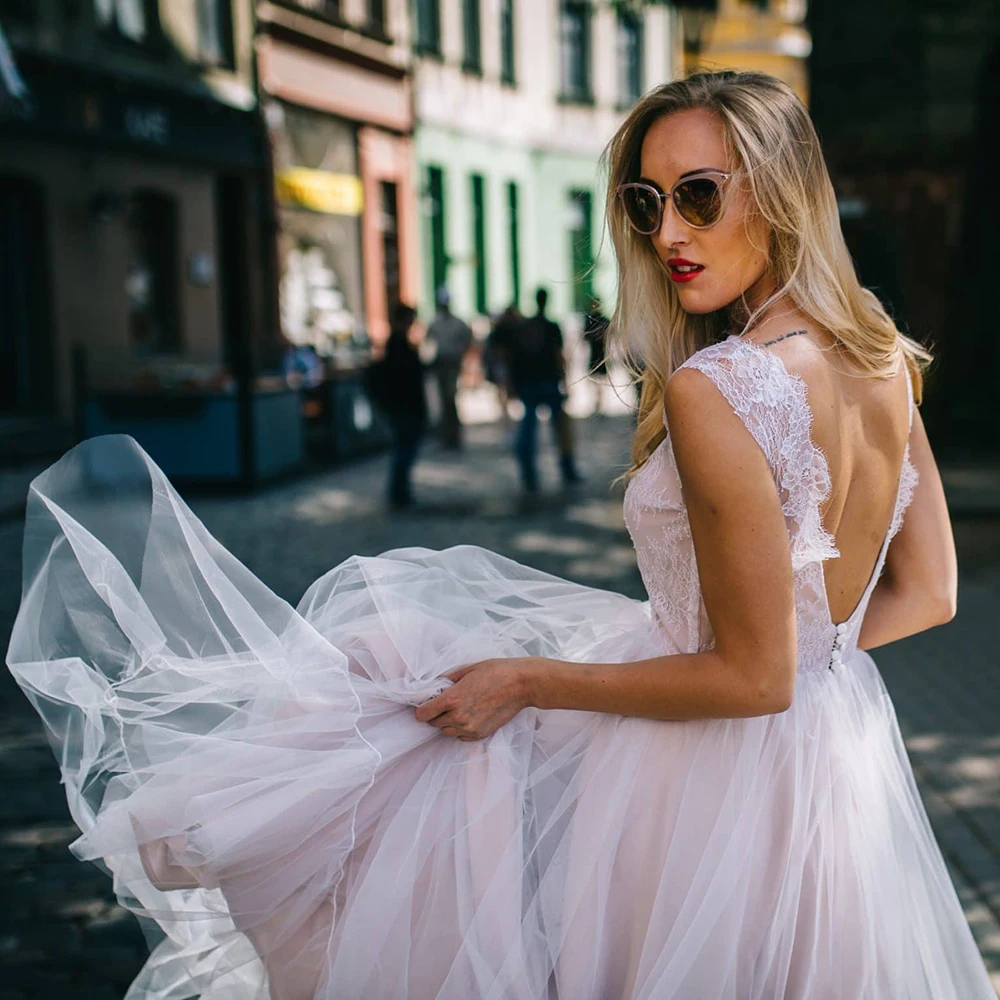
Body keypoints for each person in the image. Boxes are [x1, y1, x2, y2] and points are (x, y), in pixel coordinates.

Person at [7, 70, 995, 1000]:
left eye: (699, 194)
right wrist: (794, 650)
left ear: (779, 191)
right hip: (834, 761)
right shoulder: (875, 354)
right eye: (646, 204)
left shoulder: (718, 386)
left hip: (714, 778)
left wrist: (530, 679)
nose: (668, 234)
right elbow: (924, 594)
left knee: (409, 685)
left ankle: (224, 829)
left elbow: (751, 679)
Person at [508, 287, 582, 491]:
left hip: (531, 382)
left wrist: (514, 383)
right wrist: (566, 381)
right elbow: (559, 356)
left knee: (529, 428)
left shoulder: (525, 327)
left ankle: (529, 472)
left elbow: (515, 358)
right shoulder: (550, 326)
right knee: (560, 428)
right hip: (547, 381)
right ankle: (567, 467)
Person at [367, 302, 426, 509]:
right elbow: (404, 379)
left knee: (403, 451)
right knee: (403, 452)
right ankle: (399, 496)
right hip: (404, 408)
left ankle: (400, 494)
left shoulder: (398, 344)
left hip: (403, 407)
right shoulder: (397, 345)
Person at [425, 286, 473, 450]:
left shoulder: (456, 323)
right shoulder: (436, 323)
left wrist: (461, 355)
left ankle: (454, 436)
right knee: (443, 400)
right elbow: (428, 342)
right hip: (441, 363)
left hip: (452, 363)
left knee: (450, 398)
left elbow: (468, 339)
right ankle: (446, 436)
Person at [582, 295, 611, 415]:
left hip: (601, 354)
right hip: (595, 353)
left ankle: (599, 403)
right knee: (595, 380)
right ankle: (596, 402)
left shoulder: (601, 320)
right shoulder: (591, 319)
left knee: (600, 381)